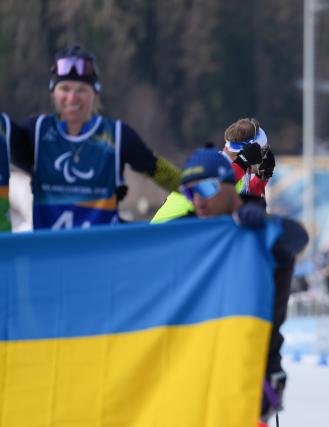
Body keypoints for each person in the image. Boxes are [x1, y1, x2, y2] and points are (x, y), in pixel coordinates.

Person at [155, 147, 307, 427]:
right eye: (190, 192)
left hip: (250, 373)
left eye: (206, 188)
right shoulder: (188, 229)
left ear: (229, 184)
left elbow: (297, 238)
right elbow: (145, 244)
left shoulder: (257, 228)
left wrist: (263, 225)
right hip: (195, 370)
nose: (198, 199)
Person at [10, 45, 181, 230]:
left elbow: (162, 172)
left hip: (101, 253)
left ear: (95, 94)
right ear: (53, 92)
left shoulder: (116, 135)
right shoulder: (36, 131)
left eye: (82, 90)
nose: (72, 98)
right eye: (64, 89)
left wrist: (204, 191)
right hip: (51, 253)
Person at [151, 117, 275, 223]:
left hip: (187, 230)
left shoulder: (237, 174)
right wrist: (243, 162)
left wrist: (263, 178)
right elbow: (216, 187)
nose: (265, 158)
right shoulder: (213, 164)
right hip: (165, 233)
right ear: (252, 153)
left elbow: (244, 203)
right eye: (263, 152)